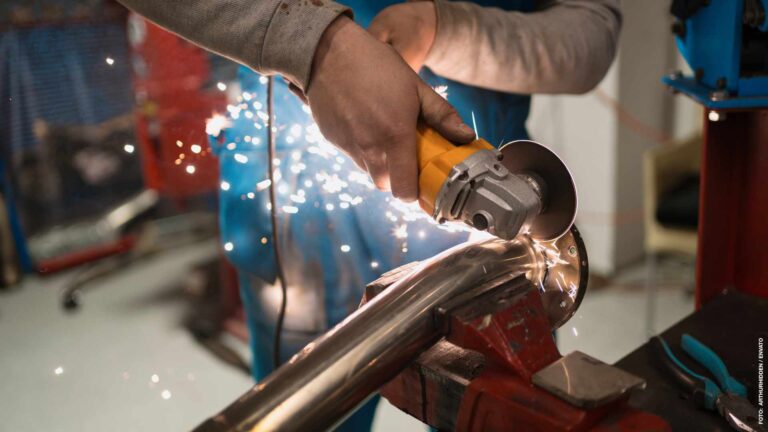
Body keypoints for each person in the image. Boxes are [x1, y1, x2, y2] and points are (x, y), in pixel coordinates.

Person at [118, 0, 621, 430]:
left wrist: (445, 29)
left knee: (499, 415)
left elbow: (591, 31)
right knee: (303, 408)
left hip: (488, 208)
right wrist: (313, 46)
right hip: (302, 212)